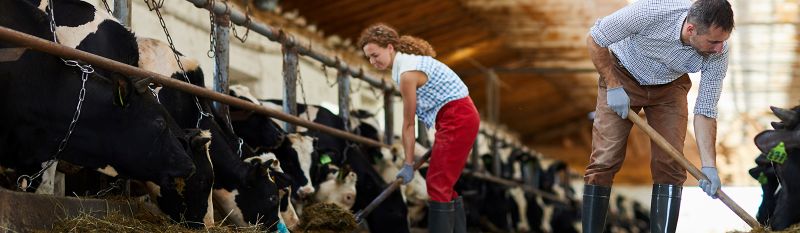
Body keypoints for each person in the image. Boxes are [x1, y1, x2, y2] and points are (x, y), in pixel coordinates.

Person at [583, 0, 733, 232]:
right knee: (605, 159)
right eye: (713, 41)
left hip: (670, 87)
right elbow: (595, 38)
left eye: (722, 41)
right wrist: (613, 85)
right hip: (622, 77)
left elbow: (705, 109)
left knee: (670, 164)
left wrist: (709, 166)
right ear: (691, 29)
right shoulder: (649, 11)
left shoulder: (719, 51)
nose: (719, 48)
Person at [359, 23, 480, 233]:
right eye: (369, 57)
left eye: (375, 55)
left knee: (436, 183)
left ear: (390, 47)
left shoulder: (407, 73)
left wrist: (408, 163)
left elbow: (408, 124)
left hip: (457, 117)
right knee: (442, 183)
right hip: (456, 117)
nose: (373, 61)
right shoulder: (406, 65)